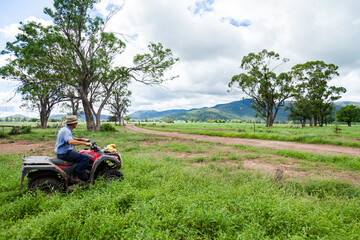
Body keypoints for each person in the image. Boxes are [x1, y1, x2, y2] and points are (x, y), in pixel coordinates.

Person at [55, 115, 92, 181]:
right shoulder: (67, 131)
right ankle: (78, 174)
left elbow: (71, 138)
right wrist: (85, 144)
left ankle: (77, 170)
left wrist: (83, 139)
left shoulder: (65, 129)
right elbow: (71, 141)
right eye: (76, 122)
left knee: (80, 153)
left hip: (62, 152)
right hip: (65, 153)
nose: (77, 124)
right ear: (73, 124)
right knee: (85, 158)